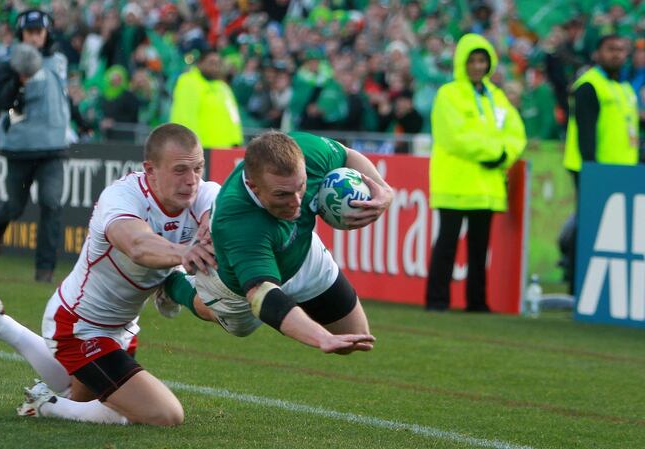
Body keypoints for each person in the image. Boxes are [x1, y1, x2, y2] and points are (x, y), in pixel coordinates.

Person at [0, 124, 219, 426]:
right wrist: (183, 254)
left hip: (121, 329)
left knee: (79, 398)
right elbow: (137, 245)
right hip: (80, 325)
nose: (191, 180)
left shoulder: (205, 194)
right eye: (180, 170)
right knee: (164, 415)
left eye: (198, 168)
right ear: (150, 169)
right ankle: (46, 404)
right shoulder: (122, 196)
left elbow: (216, 218)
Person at [161, 130, 393, 353]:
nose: (296, 203)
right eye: (282, 194)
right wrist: (321, 338)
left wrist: (384, 191)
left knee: (356, 337)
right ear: (253, 186)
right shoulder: (239, 222)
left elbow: (347, 154)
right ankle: (172, 283)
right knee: (222, 315)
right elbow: (262, 294)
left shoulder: (307, 151)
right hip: (236, 289)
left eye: (301, 187)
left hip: (301, 252)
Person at [425, 33, 526, 313]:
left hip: (486, 186)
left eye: (483, 61)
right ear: (462, 62)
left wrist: (505, 153)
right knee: (447, 244)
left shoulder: (497, 96)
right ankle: (437, 300)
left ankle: (477, 302)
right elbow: (455, 137)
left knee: (480, 250)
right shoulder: (449, 94)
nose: (478, 66)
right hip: (455, 182)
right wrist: (498, 153)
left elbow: (517, 133)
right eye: (473, 61)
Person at [0, 9, 71, 283]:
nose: (34, 37)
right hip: (21, 147)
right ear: (21, 35)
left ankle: (44, 272)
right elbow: (2, 102)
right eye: (29, 32)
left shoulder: (59, 61)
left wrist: (78, 119)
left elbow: (62, 98)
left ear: (46, 33)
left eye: (39, 32)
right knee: (15, 206)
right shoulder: (8, 63)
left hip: (54, 147)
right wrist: (18, 82)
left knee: (52, 203)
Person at [561, 34, 641, 294]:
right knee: (588, 225)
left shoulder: (625, 89)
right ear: (597, 54)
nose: (616, 54)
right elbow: (586, 131)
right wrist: (592, 168)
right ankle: (575, 282)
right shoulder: (589, 85)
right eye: (610, 49)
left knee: (612, 231)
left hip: (622, 171)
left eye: (621, 50)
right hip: (595, 170)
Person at [169, 49, 243, 149]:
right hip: (201, 151)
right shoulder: (188, 82)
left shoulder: (223, 87)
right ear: (200, 63)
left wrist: (236, 142)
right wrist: (190, 147)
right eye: (211, 63)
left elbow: (234, 118)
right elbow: (184, 116)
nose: (215, 67)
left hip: (225, 151)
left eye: (218, 63)